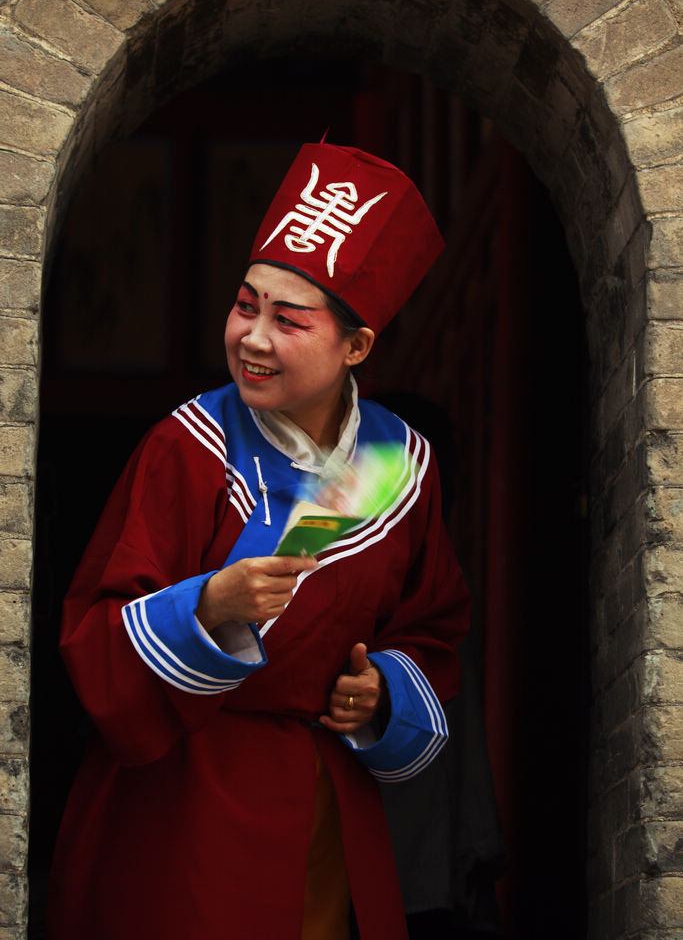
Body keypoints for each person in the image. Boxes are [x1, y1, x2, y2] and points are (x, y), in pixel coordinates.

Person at [47, 142, 471, 940]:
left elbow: (432, 625)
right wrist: (207, 606)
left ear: (356, 347)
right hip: (181, 798)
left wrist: (378, 691)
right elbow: (92, 634)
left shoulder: (395, 462)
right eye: (246, 306)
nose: (253, 337)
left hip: (323, 806)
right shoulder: (186, 445)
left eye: (289, 320)